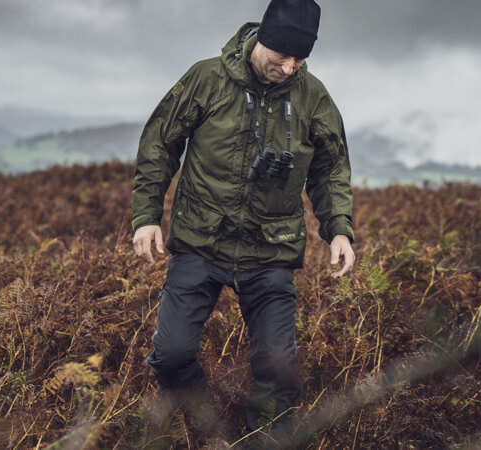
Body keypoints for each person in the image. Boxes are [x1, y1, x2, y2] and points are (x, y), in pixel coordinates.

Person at [130, 0, 354, 443]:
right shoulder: (206, 78)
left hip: (270, 251)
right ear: (262, 39)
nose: (290, 68)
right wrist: (147, 216)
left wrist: (339, 229)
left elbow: (330, 170)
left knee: (279, 371)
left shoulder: (314, 98)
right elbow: (160, 143)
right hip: (200, 240)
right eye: (282, 56)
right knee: (171, 356)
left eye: (300, 59)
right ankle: (202, 422)